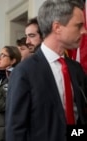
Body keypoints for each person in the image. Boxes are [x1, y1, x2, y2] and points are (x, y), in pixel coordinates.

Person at [6, 1, 87, 141]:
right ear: (57, 27)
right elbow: (16, 130)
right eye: (78, 25)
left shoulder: (76, 69)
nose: (84, 31)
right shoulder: (24, 72)